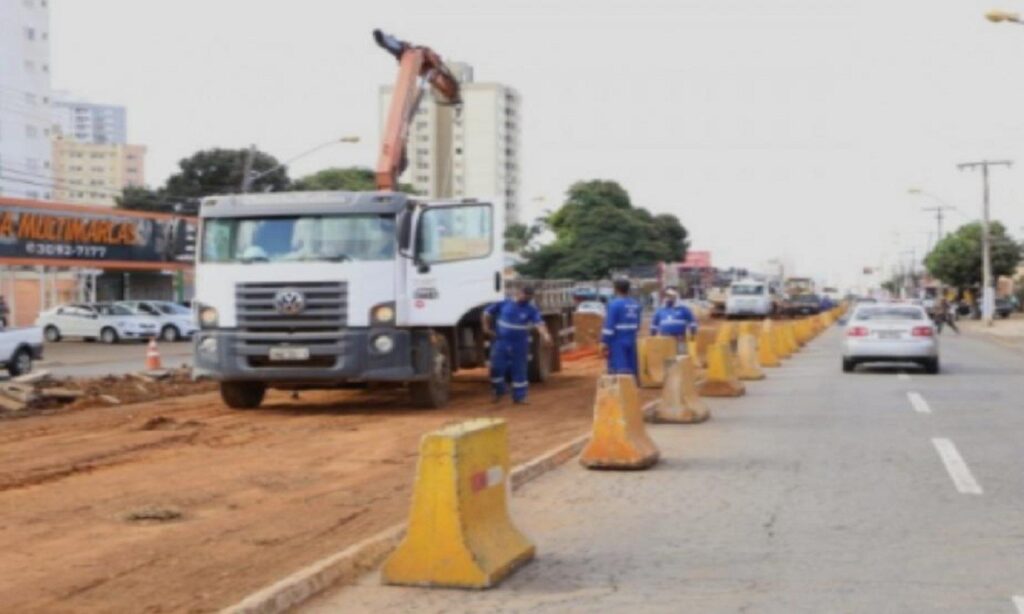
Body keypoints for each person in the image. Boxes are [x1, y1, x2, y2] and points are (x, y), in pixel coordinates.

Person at [482, 286, 552, 405]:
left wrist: (545, 335)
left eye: (530, 297)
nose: (527, 299)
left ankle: (520, 397)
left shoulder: (531, 309)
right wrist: (486, 327)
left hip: (520, 343)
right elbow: (487, 313)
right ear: (519, 293)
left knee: (519, 369)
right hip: (501, 341)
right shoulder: (504, 303)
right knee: (496, 368)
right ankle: (499, 391)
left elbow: (539, 323)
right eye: (525, 295)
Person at [601, 278, 642, 375]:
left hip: (617, 341)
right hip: (632, 339)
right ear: (628, 289)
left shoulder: (614, 305)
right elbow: (638, 325)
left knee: (619, 368)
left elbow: (609, 326)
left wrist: (604, 341)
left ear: (616, 289)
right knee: (631, 367)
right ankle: (632, 388)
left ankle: (621, 389)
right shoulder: (636, 304)